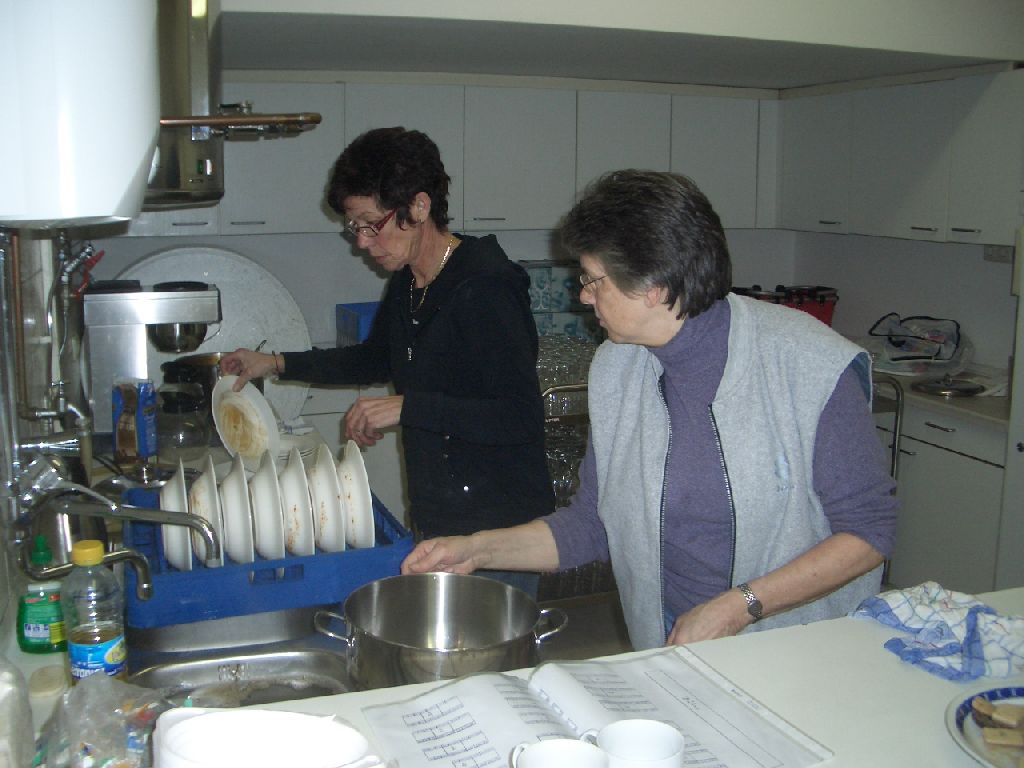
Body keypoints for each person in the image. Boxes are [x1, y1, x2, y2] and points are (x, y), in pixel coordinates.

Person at [402, 169, 898, 650]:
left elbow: (869, 532)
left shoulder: (806, 364)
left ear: (653, 286)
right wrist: (476, 549)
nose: (584, 295)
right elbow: (594, 523)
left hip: (798, 649)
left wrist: (738, 606)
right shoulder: (617, 368)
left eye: (594, 280)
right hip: (670, 637)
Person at [221, 127, 554, 589]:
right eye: (354, 227)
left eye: (369, 224)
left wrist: (408, 407)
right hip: (439, 512)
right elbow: (375, 359)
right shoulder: (409, 280)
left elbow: (519, 416)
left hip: (498, 528)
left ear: (419, 207)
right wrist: (275, 363)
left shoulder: (486, 288)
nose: (361, 242)